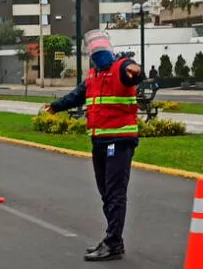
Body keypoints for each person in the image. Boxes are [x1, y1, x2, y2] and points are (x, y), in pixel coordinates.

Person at [42, 29, 143, 262]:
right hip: (99, 140)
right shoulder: (93, 76)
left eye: (101, 51)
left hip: (119, 141)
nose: (98, 55)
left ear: (109, 49)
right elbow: (77, 95)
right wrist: (56, 106)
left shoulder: (120, 67)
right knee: (106, 193)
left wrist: (135, 70)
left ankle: (113, 242)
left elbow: (133, 73)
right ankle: (113, 239)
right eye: (94, 51)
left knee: (115, 193)